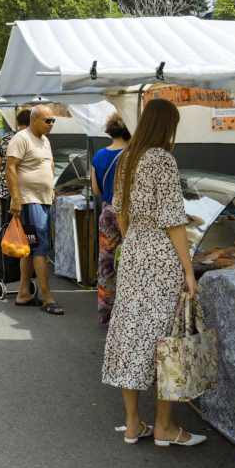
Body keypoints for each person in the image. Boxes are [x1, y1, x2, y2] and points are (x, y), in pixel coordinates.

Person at [102, 98, 206, 447]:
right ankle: (163, 427)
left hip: (133, 252)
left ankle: (133, 423)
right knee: (167, 339)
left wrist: (134, 244)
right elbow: (174, 220)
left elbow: (120, 213)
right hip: (161, 256)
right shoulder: (162, 159)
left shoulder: (127, 157)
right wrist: (188, 270)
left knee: (132, 332)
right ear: (168, 127)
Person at [6, 104, 59, 313]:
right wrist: (16, 199)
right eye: (48, 120)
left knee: (30, 249)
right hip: (29, 201)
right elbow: (10, 167)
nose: (51, 124)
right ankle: (47, 297)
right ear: (34, 120)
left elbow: (50, 164)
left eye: (53, 120)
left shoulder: (45, 140)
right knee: (40, 249)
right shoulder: (21, 138)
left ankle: (23, 294)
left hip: (43, 199)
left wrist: (51, 187)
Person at [91, 113, 131, 326]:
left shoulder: (98, 156)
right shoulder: (134, 155)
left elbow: (96, 191)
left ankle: (106, 317)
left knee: (107, 266)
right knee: (129, 264)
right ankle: (127, 319)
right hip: (128, 213)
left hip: (107, 213)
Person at [0, 109, 29, 225]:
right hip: (27, 187)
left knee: (6, 222)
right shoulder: (34, 138)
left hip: (6, 183)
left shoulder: (7, 137)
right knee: (27, 225)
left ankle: (4, 242)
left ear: (18, 122)